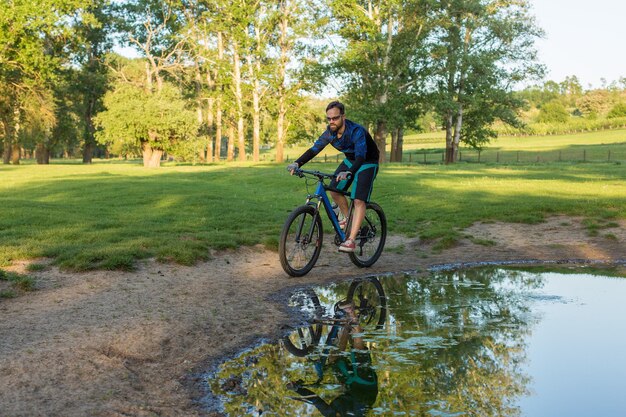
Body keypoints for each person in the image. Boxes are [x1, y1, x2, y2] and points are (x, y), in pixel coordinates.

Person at [287, 101, 380, 253]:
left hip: (367, 161)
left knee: (358, 199)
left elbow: (361, 156)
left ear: (343, 116)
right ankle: (347, 218)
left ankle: (350, 240)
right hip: (350, 159)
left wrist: (349, 172)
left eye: (335, 118)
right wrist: (297, 163)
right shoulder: (329, 132)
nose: (332, 122)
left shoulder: (357, 131)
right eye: (329, 119)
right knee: (334, 189)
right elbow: (314, 149)